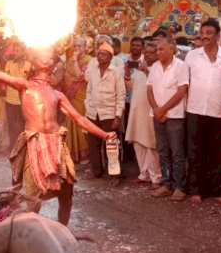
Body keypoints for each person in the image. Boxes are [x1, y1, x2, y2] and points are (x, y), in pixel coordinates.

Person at [0, 50, 117, 225]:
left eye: (49, 57)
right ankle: (31, 234)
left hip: (56, 144)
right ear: (33, 64)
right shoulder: (25, 85)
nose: (46, 59)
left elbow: (80, 119)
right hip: (35, 143)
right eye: (41, 56)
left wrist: (104, 135)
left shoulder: (57, 94)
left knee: (66, 196)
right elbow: (5, 77)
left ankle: (62, 232)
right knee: (33, 198)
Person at [184, 19, 221, 204]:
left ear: (218, 35)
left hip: (220, 112)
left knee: (218, 154)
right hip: (195, 110)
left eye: (209, 33)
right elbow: (186, 83)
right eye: (203, 32)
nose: (205, 36)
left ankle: (218, 191)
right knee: (195, 152)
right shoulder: (192, 56)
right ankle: (196, 189)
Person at [147, 37, 190, 202]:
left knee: (177, 152)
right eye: (157, 49)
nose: (158, 52)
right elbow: (149, 90)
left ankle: (179, 186)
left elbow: (181, 91)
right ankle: (166, 184)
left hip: (174, 116)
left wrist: (162, 110)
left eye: (161, 49)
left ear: (172, 49)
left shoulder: (181, 66)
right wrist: (156, 110)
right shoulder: (155, 67)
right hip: (157, 115)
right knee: (163, 151)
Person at [84, 42, 126, 187]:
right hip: (93, 112)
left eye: (103, 53)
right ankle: (97, 171)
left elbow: (121, 95)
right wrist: (87, 107)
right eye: (98, 53)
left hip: (109, 113)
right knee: (93, 144)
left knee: (111, 145)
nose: (99, 55)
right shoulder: (93, 70)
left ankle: (114, 175)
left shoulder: (116, 72)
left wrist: (117, 116)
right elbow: (89, 90)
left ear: (110, 56)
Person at [125, 41, 161, 188]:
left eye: (151, 52)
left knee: (151, 146)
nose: (147, 55)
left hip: (150, 113)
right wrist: (127, 71)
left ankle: (156, 178)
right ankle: (144, 174)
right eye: (146, 52)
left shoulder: (159, 69)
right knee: (138, 143)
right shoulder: (139, 69)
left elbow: (157, 85)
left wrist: (146, 71)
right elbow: (129, 85)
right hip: (136, 112)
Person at [62, 37, 91, 164]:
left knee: (81, 123)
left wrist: (74, 60)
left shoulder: (89, 60)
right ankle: (72, 154)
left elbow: (80, 76)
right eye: (76, 46)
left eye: (80, 46)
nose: (77, 49)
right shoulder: (69, 61)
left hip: (82, 96)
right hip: (71, 96)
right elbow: (67, 78)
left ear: (85, 48)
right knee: (71, 123)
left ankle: (85, 155)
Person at [2, 42, 31, 151]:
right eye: (14, 51)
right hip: (10, 98)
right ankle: (13, 147)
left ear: (23, 52)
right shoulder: (9, 63)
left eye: (18, 51)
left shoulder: (29, 65)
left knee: (24, 124)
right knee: (11, 124)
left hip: (24, 99)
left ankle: (23, 147)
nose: (15, 53)